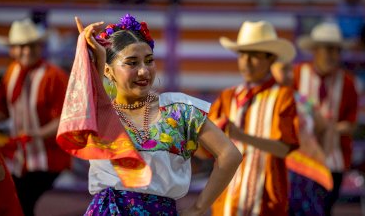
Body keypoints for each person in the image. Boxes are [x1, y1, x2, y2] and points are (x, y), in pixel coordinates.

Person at [56, 13, 242, 215]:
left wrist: (199, 208)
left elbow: (229, 155)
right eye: (132, 63)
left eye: (149, 60)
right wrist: (96, 58)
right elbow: (84, 100)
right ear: (109, 71)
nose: (144, 71)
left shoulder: (179, 109)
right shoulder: (100, 113)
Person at [199, 20, 300, 216]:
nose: (246, 61)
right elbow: (204, 153)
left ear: (271, 59)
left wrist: (241, 136)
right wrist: (191, 137)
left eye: (254, 56)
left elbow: (284, 148)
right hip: (226, 201)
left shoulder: (283, 97)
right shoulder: (227, 97)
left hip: (266, 202)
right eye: (242, 55)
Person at [0, 18, 71, 216]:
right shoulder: (11, 73)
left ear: (40, 47)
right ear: (12, 50)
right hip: (21, 156)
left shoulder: (54, 76)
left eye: (31, 46)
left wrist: (35, 134)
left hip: (48, 157)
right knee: (18, 204)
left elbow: (64, 120)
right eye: (21, 47)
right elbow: (3, 111)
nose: (27, 51)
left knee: (21, 201)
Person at [295, 22, 359, 216]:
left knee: (324, 210)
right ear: (315, 50)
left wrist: (331, 129)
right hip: (300, 159)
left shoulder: (347, 83)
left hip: (333, 161)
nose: (333, 55)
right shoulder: (297, 75)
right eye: (328, 49)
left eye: (337, 50)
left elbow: (352, 124)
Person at [271, 61, 333, 216]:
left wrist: (321, 153)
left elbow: (324, 126)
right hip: (281, 171)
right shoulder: (265, 100)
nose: (290, 75)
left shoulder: (301, 99)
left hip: (309, 171)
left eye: (290, 70)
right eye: (283, 70)